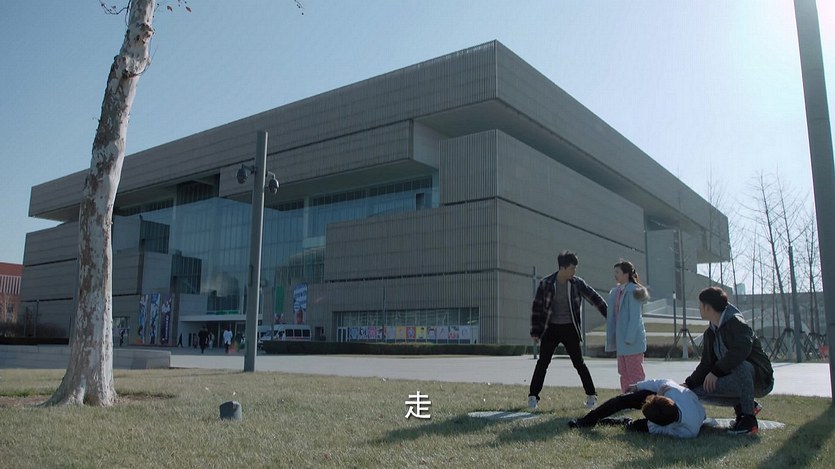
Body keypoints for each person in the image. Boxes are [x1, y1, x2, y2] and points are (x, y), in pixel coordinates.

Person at [683, 286, 774, 435]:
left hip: (760, 380)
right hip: (737, 380)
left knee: (741, 365)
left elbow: (741, 350)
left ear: (708, 307)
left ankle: (749, 421)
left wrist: (716, 372)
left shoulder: (737, 323)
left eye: (700, 305)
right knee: (695, 392)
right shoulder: (710, 333)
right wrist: (689, 384)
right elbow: (706, 364)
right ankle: (746, 407)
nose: (699, 308)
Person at [528, 250, 608, 410]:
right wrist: (535, 332)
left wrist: (609, 315)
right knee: (543, 363)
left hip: (570, 328)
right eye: (572, 268)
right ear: (563, 267)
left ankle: (591, 395)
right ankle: (533, 397)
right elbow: (536, 308)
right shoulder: (546, 284)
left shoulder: (577, 283)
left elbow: (594, 298)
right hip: (550, 328)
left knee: (579, 363)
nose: (574, 271)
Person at [568, 378, 706, 439]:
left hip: (670, 413)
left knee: (634, 427)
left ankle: (623, 421)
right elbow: (659, 382)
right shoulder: (672, 390)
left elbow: (657, 428)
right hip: (670, 399)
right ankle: (587, 420)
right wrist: (637, 386)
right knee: (622, 400)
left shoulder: (687, 432)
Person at [606, 260, 649, 393]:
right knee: (623, 372)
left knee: (635, 373)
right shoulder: (616, 292)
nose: (615, 275)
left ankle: (638, 398)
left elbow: (634, 318)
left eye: (618, 272)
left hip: (632, 341)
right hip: (621, 341)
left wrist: (629, 338)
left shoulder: (633, 291)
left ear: (626, 274)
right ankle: (626, 397)